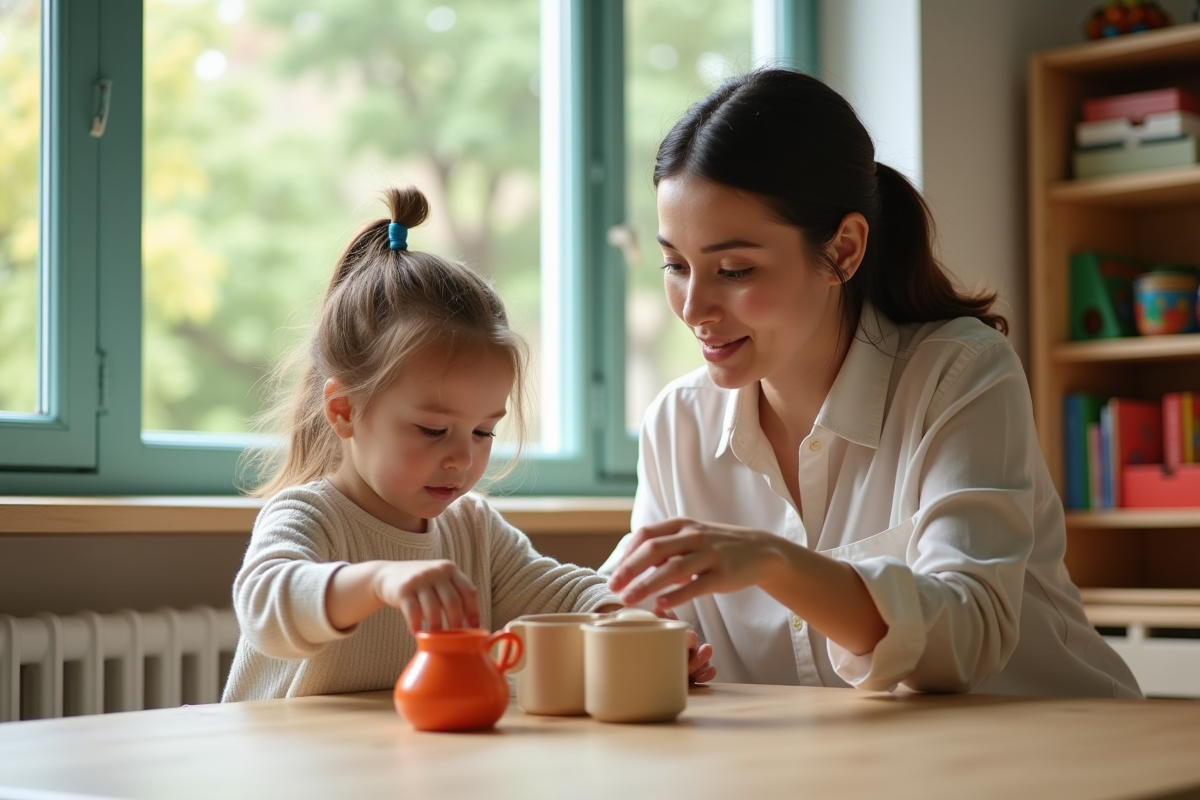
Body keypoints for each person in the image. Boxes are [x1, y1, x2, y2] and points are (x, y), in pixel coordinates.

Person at [602, 68, 1140, 698]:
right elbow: (628, 603)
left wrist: (777, 563)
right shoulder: (678, 421)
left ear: (844, 251)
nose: (693, 307)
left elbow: (968, 634)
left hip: (1059, 760)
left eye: (735, 268)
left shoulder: (959, 373)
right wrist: (646, 633)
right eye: (675, 265)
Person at [223, 186, 715, 701]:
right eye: (433, 430)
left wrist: (635, 623)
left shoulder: (472, 530)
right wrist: (375, 582)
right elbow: (265, 606)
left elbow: (563, 593)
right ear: (344, 411)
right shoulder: (309, 515)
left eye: (484, 432)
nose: (462, 457)